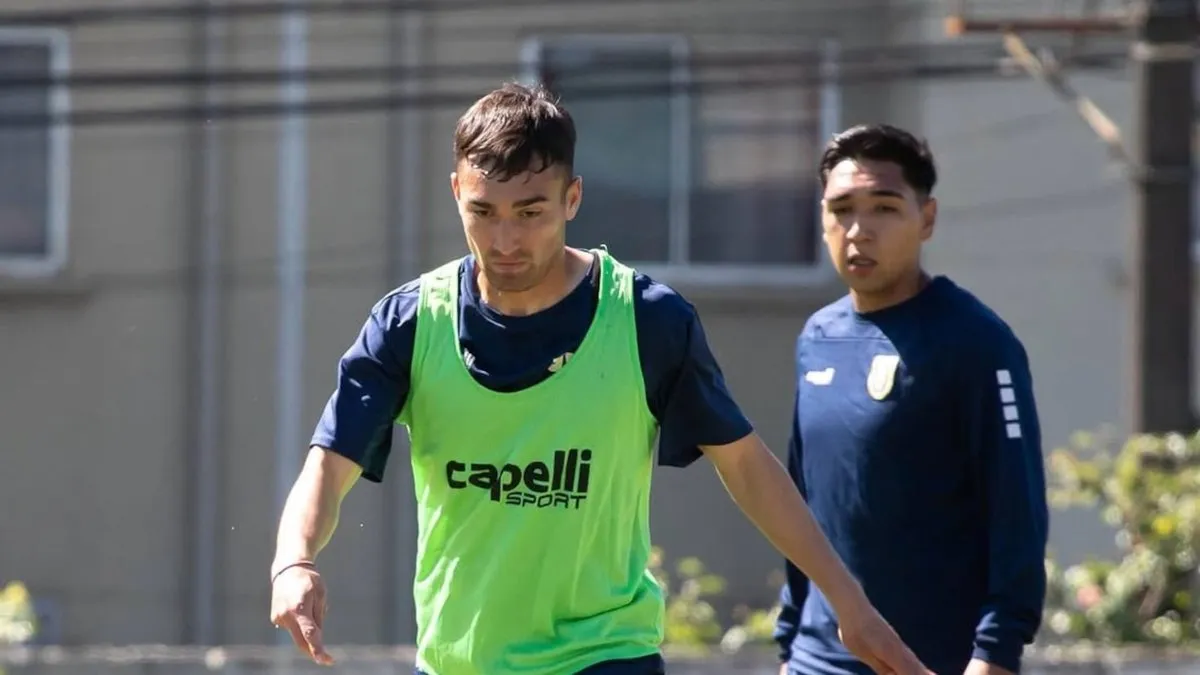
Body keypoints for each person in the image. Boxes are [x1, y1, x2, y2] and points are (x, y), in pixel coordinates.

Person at [267, 84, 930, 675]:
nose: (505, 240)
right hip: (456, 660)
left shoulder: (646, 320)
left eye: (530, 212)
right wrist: (294, 558)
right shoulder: (410, 323)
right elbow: (330, 463)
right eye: (484, 211)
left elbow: (749, 468)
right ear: (456, 194)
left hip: (604, 654)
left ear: (573, 198)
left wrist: (849, 602)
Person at [773, 124, 1050, 675]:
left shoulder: (975, 341)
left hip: (931, 662)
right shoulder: (818, 338)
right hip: (816, 662)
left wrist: (994, 653)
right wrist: (789, 638)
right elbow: (804, 499)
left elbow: (1017, 511)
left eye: (884, 208)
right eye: (842, 208)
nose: (859, 230)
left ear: (926, 219)